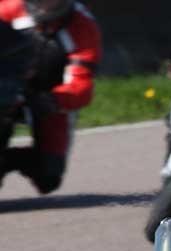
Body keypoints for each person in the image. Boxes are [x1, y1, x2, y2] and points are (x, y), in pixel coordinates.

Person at [0, 0, 101, 194]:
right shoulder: (8, 8)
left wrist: (54, 100)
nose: (45, 5)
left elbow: (82, 85)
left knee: (48, 177)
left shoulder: (83, 25)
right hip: (6, 87)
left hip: (49, 95)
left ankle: (8, 161)